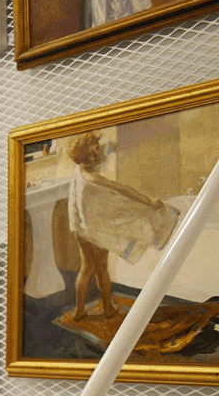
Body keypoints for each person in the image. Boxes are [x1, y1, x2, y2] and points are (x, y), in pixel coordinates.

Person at [66, 130, 174, 320]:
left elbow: (105, 145)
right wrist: (149, 202)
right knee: (101, 269)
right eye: (93, 153)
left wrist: (102, 144)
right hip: (95, 232)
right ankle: (107, 308)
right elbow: (123, 190)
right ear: (85, 156)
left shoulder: (78, 170)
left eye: (96, 150)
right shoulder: (94, 178)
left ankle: (79, 310)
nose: (97, 155)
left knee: (86, 268)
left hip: (80, 228)